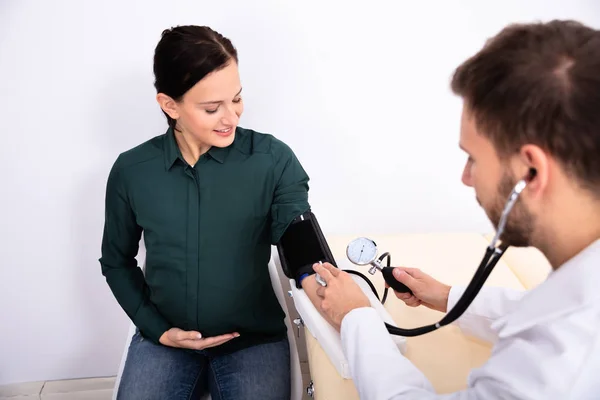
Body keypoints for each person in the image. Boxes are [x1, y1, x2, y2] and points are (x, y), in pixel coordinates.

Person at [302, 19, 600, 399]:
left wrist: (355, 317)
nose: (465, 177)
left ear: (532, 171)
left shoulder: (559, 368)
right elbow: (539, 311)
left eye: (473, 158)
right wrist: (446, 295)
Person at [99, 25, 310, 400]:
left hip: (252, 341)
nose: (231, 117)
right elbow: (116, 261)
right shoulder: (132, 171)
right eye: (212, 108)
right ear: (170, 105)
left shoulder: (273, 160)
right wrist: (157, 329)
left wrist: (315, 273)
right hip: (166, 340)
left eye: (237, 99)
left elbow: (298, 236)